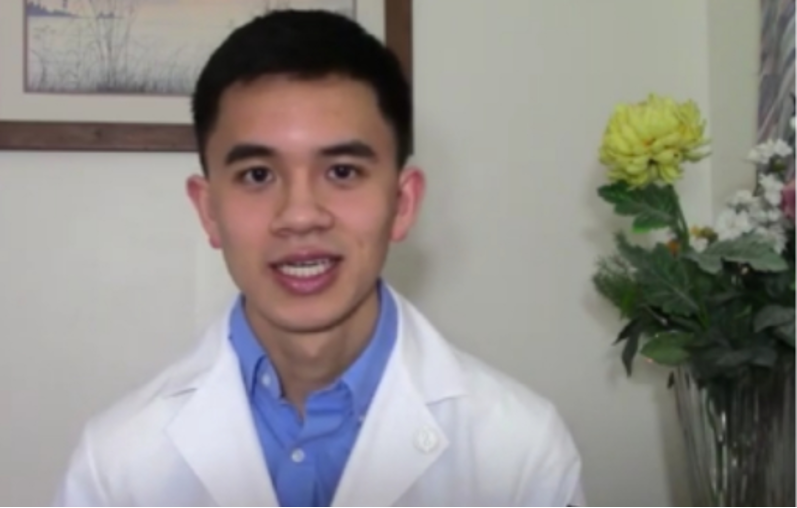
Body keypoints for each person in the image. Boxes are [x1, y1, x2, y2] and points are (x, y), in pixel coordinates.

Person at [53, 8, 586, 508]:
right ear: (209, 210)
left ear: (401, 204)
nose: (300, 215)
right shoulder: (117, 465)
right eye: (258, 175)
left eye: (342, 172)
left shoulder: (522, 451)